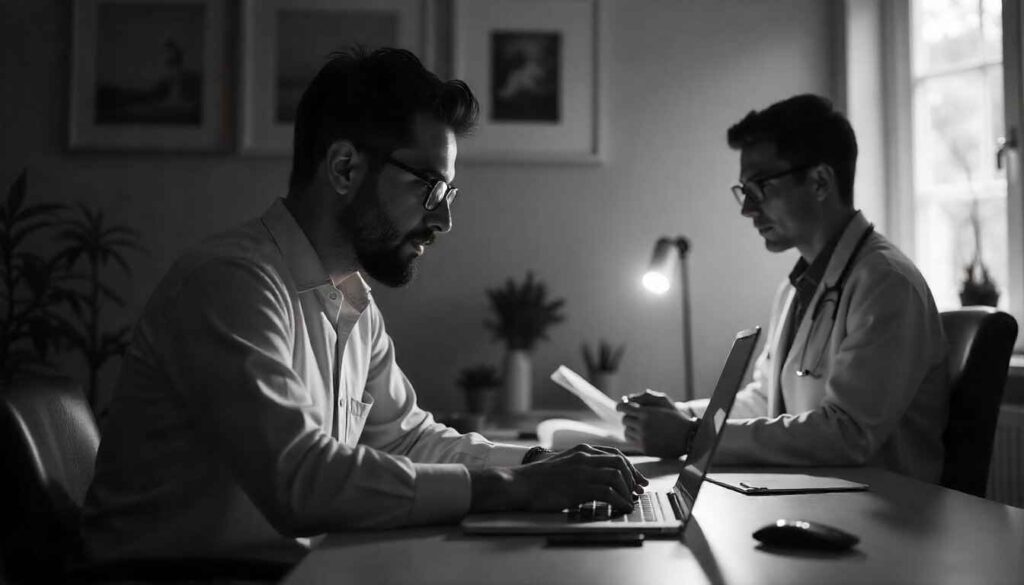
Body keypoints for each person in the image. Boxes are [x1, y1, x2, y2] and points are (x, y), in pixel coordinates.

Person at [82, 47, 645, 563]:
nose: (443, 220)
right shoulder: (231, 284)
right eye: (430, 187)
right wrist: (516, 489)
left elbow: (406, 439)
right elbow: (300, 480)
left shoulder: (351, 300)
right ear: (345, 168)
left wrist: (534, 465)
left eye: (448, 194)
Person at [618, 94, 949, 483]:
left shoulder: (887, 283)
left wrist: (691, 435)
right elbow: (764, 402)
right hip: (818, 498)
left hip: (884, 514)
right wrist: (680, 416)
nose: (747, 209)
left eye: (759, 187)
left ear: (820, 181)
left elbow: (848, 435)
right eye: (744, 191)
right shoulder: (798, 288)